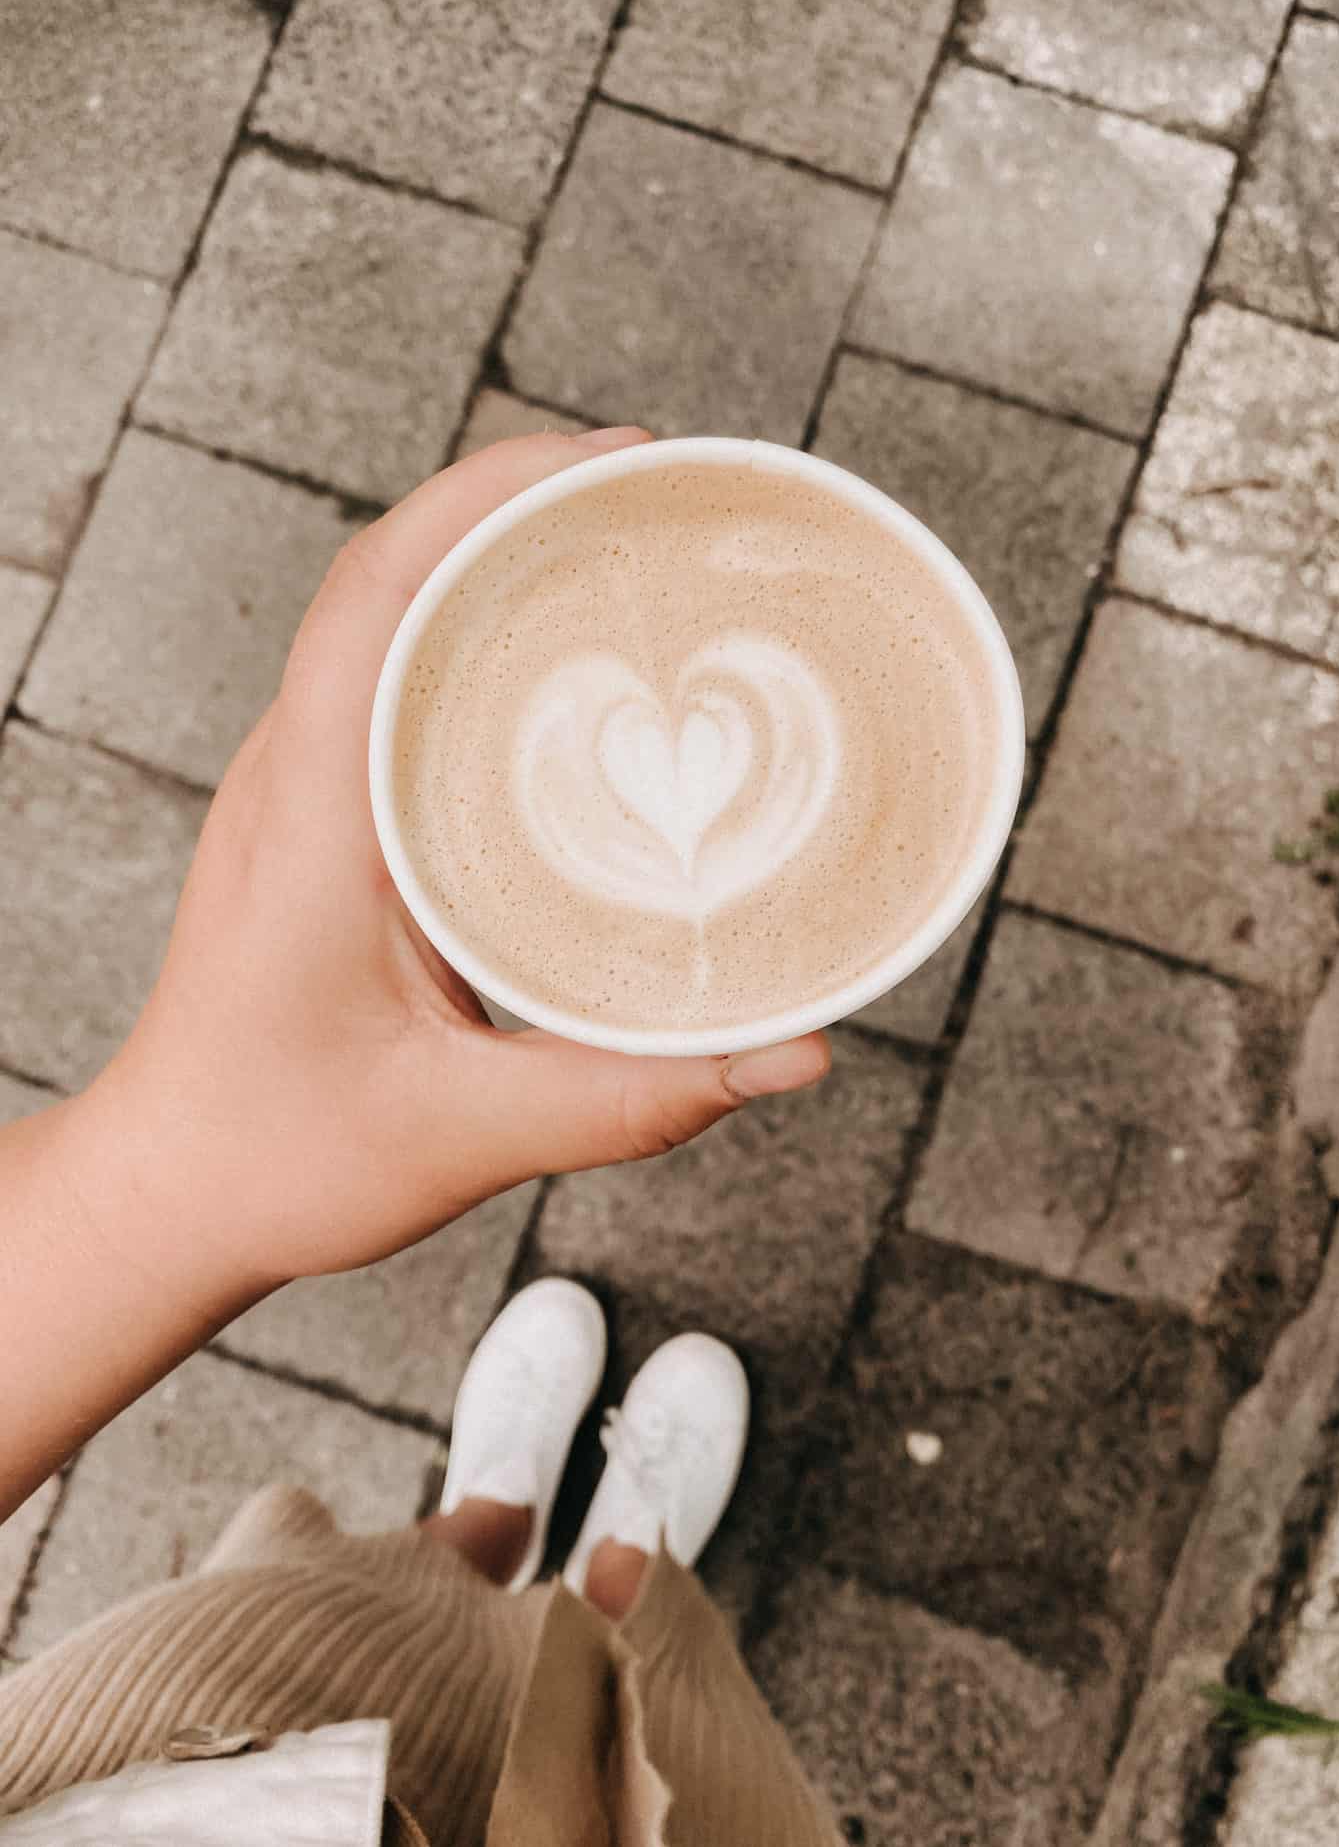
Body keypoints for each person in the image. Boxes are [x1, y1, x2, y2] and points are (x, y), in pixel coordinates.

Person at [0, 429, 840, 1846]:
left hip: (179, 1756)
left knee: (357, 1609)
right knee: (642, 1733)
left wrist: (153, 1189)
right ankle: (625, 1578)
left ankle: (485, 1526)